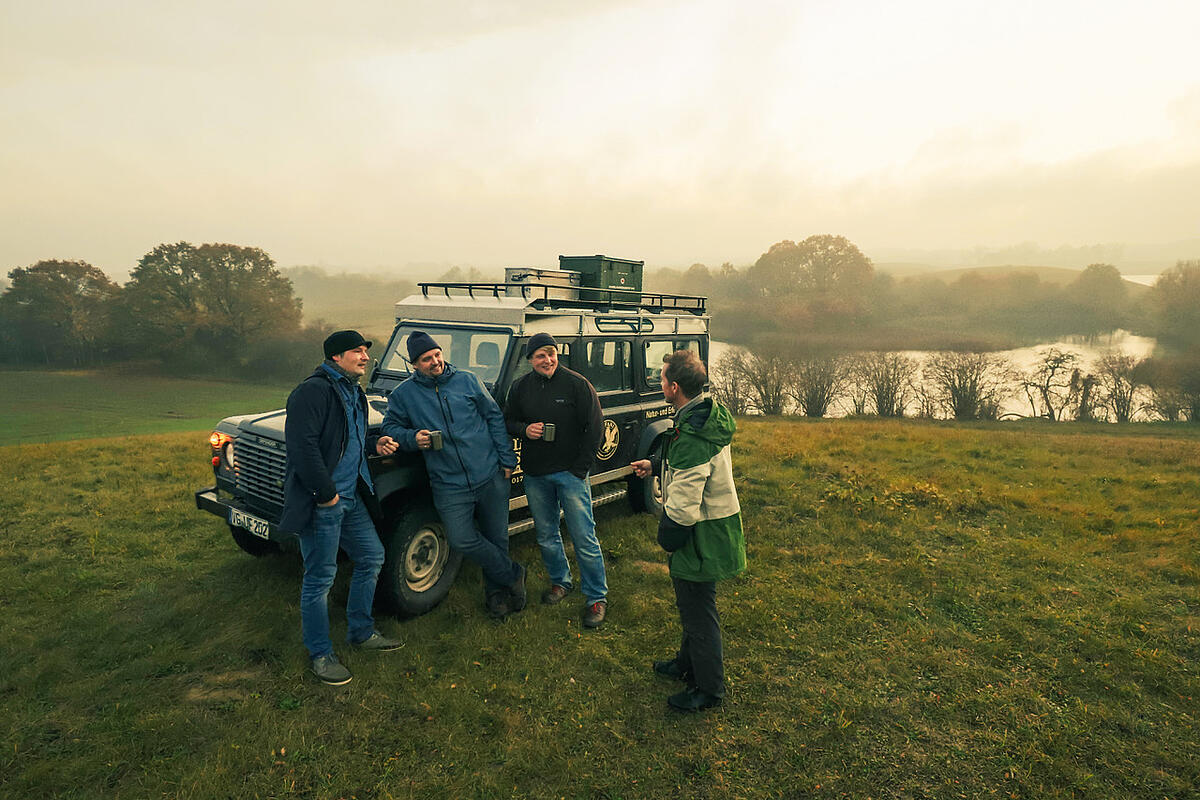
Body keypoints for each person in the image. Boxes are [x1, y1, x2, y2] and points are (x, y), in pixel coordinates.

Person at [281, 330, 404, 686]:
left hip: (351, 499)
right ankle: (320, 654)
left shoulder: (353, 391)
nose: (365, 357)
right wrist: (326, 494)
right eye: (357, 351)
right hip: (325, 502)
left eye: (366, 351)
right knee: (320, 578)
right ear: (336, 356)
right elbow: (303, 449)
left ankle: (361, 631)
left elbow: (349, 436)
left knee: (372, 557)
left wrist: (375, 442)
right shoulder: (312, 392)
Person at [382, 331, 525, 619]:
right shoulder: (403, 395)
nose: (435, 362)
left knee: (497, 538)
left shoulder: (467, 380)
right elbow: (390, 428)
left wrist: (506, 458)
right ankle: (513, 573)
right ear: (414, 364)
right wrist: (412, 438)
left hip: (489, 475)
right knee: (461, 539)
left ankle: (497, 596)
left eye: (437, 354)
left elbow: (494, 416)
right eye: (426, 359)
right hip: (449, 484)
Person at [631, 349, 745, 712]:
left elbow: (684, 503)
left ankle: (709, 689)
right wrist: (655, 464)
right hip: (710, 524)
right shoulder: (701, 416)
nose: (660, 382)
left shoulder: (692, 435)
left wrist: (668, 537)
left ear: (674, 387)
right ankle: (686, 663)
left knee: (699, 611)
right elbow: (689, 467)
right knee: (692, 605)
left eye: (662, 378)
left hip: (701, 532)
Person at [504, 333, 609, 628]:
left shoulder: (577, 384)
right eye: (540, 355)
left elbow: (595, 427)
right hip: (536, 475)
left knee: (583, 537)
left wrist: (580, 470)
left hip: (570, 474)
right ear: (530, 361)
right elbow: (508, 421)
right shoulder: (520, 388)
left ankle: (596, 597)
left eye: (551, 353)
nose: (547, 359)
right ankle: (560, 582)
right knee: (547, 535)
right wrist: (526, 430)